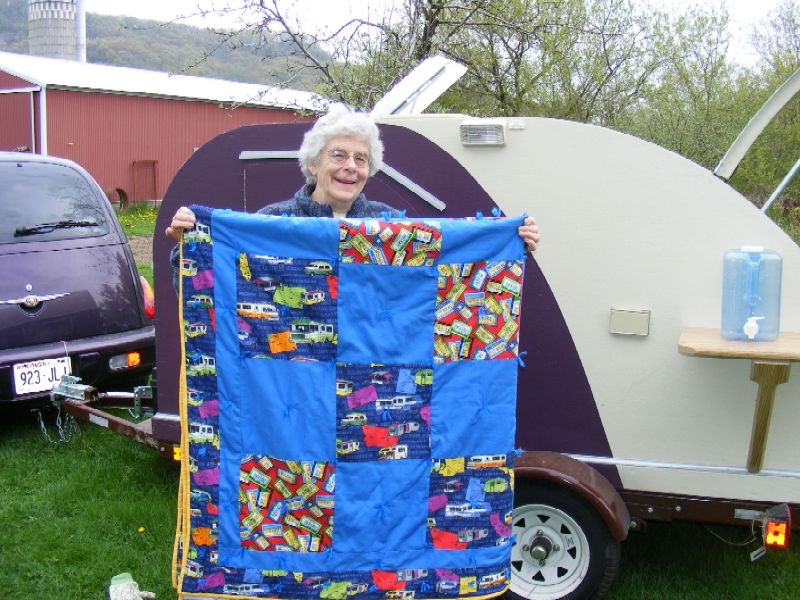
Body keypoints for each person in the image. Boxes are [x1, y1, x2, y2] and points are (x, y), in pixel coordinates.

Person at [166, 104, 540, 249]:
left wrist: (508, 241)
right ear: (314, 164)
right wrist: (188, 243)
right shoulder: (274, 221)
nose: (351, 166)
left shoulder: (389, 224)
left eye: (361, 159)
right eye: (339, 155)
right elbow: (214, 289)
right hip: (296, 381)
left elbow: (443, 256)